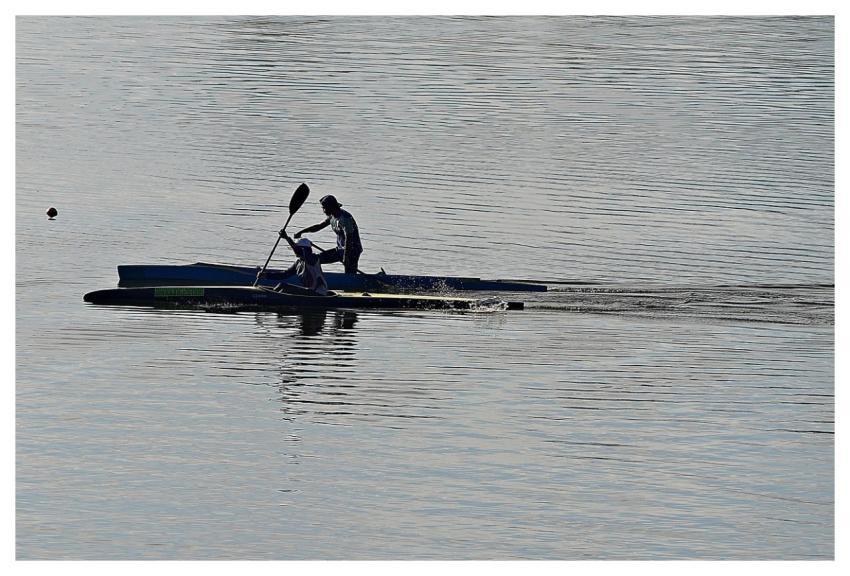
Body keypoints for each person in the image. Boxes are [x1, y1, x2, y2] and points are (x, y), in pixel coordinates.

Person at [290, 195, 362, 274]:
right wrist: (302, 232)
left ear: (331, 207)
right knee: (317, 259)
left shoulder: (345, 218)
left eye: (324, 208)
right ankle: (311, 275)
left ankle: (352, 281)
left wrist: (346, 256)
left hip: (352, 250)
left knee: (350, 274)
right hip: (341, 250)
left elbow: (349, 238)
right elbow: (319, 226)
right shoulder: (332, 217)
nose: (323, 210)